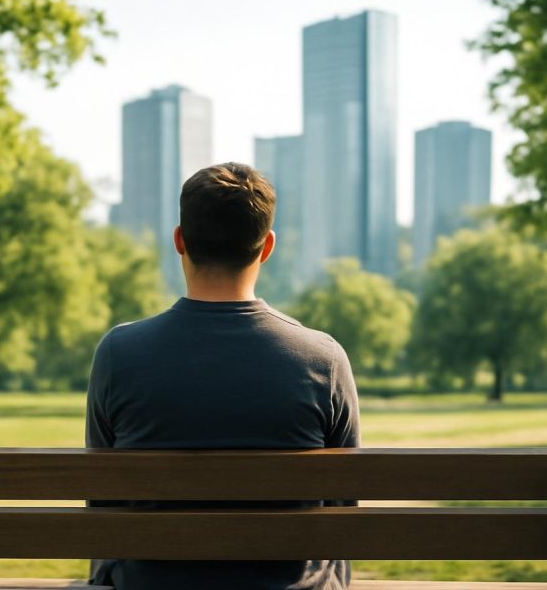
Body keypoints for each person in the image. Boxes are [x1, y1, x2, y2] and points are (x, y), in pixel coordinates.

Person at [85, 162, 360, 589]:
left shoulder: (118, 354)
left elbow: (104, 502)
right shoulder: (323, 359)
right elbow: (343, 507)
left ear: (179, 240)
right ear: (266, 246)